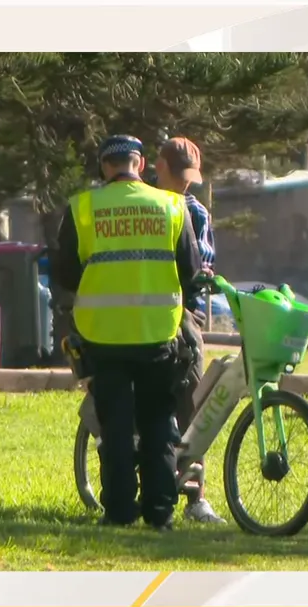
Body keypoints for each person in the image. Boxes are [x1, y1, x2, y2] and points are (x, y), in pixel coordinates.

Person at [53, 135, 208, 530]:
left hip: (103, 336)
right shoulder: (172, 207)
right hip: (157, 334)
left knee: (116, 428)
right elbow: (191, 272)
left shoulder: (83, 208)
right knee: (159, 424)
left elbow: (65, 274)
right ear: (139, 164)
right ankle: (160, 512)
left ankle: (119, 512)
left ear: (105, 167)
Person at [152, 136, 225, 524]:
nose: (183, 184)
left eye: (189, 178)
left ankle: (195, 494)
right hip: (148, 312)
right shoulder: (146, 207)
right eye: (177, 175)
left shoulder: (195, 212)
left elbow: (203, 267)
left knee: (192, 397)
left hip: (185, 314)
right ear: (157, 166)